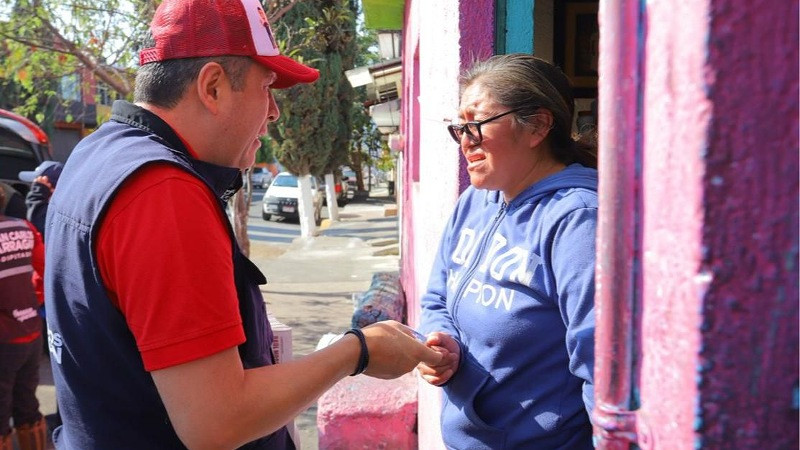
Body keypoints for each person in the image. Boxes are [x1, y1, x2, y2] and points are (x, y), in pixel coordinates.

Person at [43, 1, 442, 449]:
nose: (273, 112)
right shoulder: (163, 194)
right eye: (267, 88)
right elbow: (218, 422)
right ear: (212, 87)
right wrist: (358, 350)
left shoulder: (97, 154)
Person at [417, 53, 598, 449]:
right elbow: (436, 294)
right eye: (459, 127)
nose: (465, 141)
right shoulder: (476, 201)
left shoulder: (577, 221)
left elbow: (601, 364)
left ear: (538, 125)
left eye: (477, 124)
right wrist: (441, 338)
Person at [0, 187, 47, 450]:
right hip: (30, 330)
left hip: (4, 338)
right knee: (27, 404)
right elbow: (44, 269)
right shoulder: (25, 227)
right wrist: (29, 304)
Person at [19, 161, 64, 240]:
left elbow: (40, 226)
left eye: (36, 185)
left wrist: (37, 196)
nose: (32, 188)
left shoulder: (61, 214)